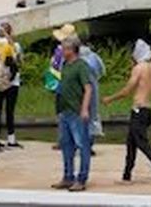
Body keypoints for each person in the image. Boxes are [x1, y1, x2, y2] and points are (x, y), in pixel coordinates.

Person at [102, 39, 151, 185]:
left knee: (142, 143)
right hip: (147, 108)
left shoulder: (139, 68)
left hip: (139, 108)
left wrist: (110, 98)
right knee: (131, 143)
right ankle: (127, 176)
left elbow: (127, 90)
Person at [52, 36, 92, 192]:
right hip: (64, 110)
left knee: (82, 145)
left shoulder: (81, 66)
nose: (62, 51)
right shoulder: (64, 65)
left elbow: (88, 88)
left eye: (64, 48)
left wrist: (84, 108)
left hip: (76, 111)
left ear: (71, 50)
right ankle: (68, 176)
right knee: (66, 145)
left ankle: (81, 178)